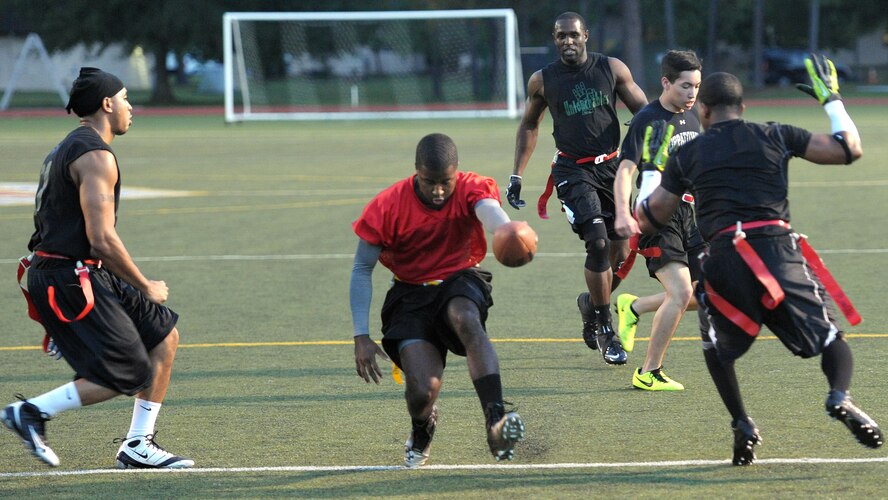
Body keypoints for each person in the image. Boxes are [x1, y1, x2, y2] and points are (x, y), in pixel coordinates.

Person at [635, 59, 883, 465]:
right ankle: (839, 395)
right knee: (829, 338)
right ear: (743, 108)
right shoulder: (774, 134)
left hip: (723, 260)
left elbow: (648, 218)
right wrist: (832, 100)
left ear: (705, 111)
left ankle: (741, 423)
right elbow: (848, 149)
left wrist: (650, 169)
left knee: (716, 350)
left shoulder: (689, 154)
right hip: (777, 250)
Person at [2, 68, 193, 469]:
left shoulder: (67, 147)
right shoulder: (94, 155)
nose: (130, 107)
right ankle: (31, 412)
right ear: (107, 104)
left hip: (74, 271)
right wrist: (144, 285)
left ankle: (138, 445)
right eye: (125, 98)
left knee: (163, 337)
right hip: (69, 275)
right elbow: (101, 238)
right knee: (128, 371)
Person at [350, 133, 526, 467]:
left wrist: (507, 231)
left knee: (465, 318)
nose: (439, 191)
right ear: (416, 172)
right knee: (422, 390)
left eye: (446, 182)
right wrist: (361, 335)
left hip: (460, 278)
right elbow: (361, 268)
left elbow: (489, 211)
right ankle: (422, 428)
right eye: (430, 183)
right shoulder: (388, 205)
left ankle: (496, 421)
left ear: (456, 173)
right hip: (410, 294)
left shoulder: (471, 187)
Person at [508, 11, 648, 366]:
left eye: (573, 35)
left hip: (614, 168)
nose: (568, 41)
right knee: (598, 242)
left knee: (617, 252)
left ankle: (590, 304)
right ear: (554, 40)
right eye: (561, 36)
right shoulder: (543, 80)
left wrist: (651, 154)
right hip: (573, 171)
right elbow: (529, 125)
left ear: (586, 35)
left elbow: (646, 112)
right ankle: (605, 328)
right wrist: (517, 175)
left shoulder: (612, 69)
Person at [612, 50, 706, 391]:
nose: (692, 93)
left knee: (707, 295)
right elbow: (625, 170)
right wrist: (623, 212)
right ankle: (648, 372)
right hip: (654, 216)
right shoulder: (647, 120)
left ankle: (633, 307)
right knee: (681, 293)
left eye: (696, 85)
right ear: (666, 82)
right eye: (685, 86)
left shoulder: (693, 118)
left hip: (687, 217)